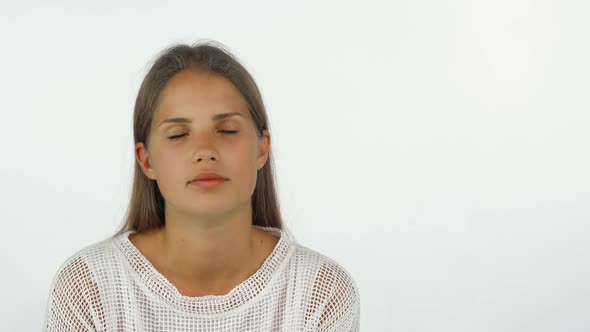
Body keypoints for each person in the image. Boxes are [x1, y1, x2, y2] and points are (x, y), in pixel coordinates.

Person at [44, 40, 360, 331]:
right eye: (178, 134)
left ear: (262, 148)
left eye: (227, 130)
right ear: (147, 160)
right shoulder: (89, 288)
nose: (205, 151)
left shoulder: (321, 293)